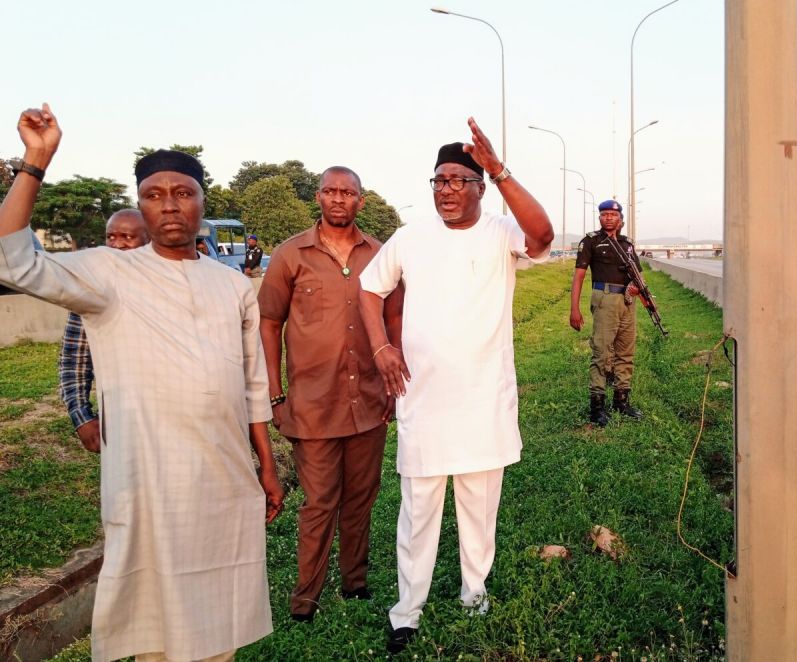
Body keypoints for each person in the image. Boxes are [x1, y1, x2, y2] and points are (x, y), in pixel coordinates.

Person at [0, 105, 284, 662]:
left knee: (217, 618)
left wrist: (267, 465)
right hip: (148, 475)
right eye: (155, 194)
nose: (170, 204)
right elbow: (14, 263)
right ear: (141, 204)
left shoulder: (233, 287)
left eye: (183, 192)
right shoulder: (109, 273)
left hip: (223, 475)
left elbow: (252, 383)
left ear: (203, 202)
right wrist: (35, 162)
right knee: (153, 615)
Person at [359, 117, 553, 654]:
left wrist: (502, 169)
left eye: (457, 180)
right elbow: (369, 290)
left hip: (484, 401)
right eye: (438, 180)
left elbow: (543, 237)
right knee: (418, 511)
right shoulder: (410, 237)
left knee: (478, 507)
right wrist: (381, 348)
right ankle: (407, 610)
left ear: (479, 187)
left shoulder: (499, 232)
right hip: (422, 401)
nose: (445, 190)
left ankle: (474, 594)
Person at [258, 166, 403, 621]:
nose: (339, 198)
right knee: (320, 502)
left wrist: (395, 387)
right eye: (330, 191)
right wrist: (275, 393)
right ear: (317, 197)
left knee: (361, 497)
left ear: (361, 200)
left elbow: (395, 320)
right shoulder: (289, 256)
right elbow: (269, 323)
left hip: (369, 401)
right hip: (313, 404)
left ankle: (354, 582)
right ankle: (305, 600)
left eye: (349, 192)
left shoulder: (381, 254)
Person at [59, 209, 149, 453]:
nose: (117, 244)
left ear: (149, 240)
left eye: (127, 237)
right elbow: (74, 359)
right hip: (121, 415)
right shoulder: (93, 289)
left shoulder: (168, 285)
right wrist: (82, 416)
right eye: (111, 237)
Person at [569, 199, 643, 426]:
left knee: (625, 351)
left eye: (613, 214)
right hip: (604, 298)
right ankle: (597, 408)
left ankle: (622, 401)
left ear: (621, 219)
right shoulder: (591, 241)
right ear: (600, 218)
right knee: (601, 352)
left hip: (628, 300)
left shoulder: (627, 244)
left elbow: (639, 276)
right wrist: (574, 309)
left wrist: (639, 291)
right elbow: (579, 275)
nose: (608, 217)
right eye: (604, 214)